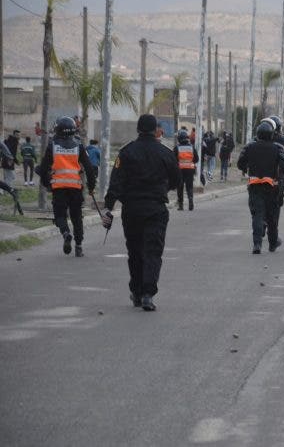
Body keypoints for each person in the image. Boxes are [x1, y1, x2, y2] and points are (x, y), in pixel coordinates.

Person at [103, 114, 181, 311]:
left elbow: (116, 182)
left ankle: (136, 292)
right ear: (156, 130)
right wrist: (163, 188)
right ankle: (148, 294)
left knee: (135, 252)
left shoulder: (126, 152)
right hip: (156, 209)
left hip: (132, 210)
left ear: (138, 129)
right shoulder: (165, 153)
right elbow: (176, 180)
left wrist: (108, 207)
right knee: (153, 252)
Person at [38, 117, 97, 258]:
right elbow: (89, 168)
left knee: (60, 215)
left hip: (58, 188)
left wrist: (48, 184)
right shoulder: (79, 146)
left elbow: (43, 169)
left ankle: (65, 233)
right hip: (75, 188)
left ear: (58, 130)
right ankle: (79, 247)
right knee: (77, 218)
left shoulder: (52, 146)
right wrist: (91, 186)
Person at [237, 119, 284, 254]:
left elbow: (240, 164)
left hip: (255, 187)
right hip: (272, 188)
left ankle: (257, 244)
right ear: (272, 134)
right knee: (272, 217)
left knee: (257, 215)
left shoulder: (249, 147)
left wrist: (247, 167)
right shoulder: (278, 148)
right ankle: (272, 243)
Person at [173, 129, 199, 210]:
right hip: (190, 170)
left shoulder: (177, 148)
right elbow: (196, 159)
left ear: (179, 138)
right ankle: (190, 201)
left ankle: (181, 205)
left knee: (180, 187)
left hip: (180, 170)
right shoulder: (192, 147)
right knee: (189, 187)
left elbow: (173, 160)